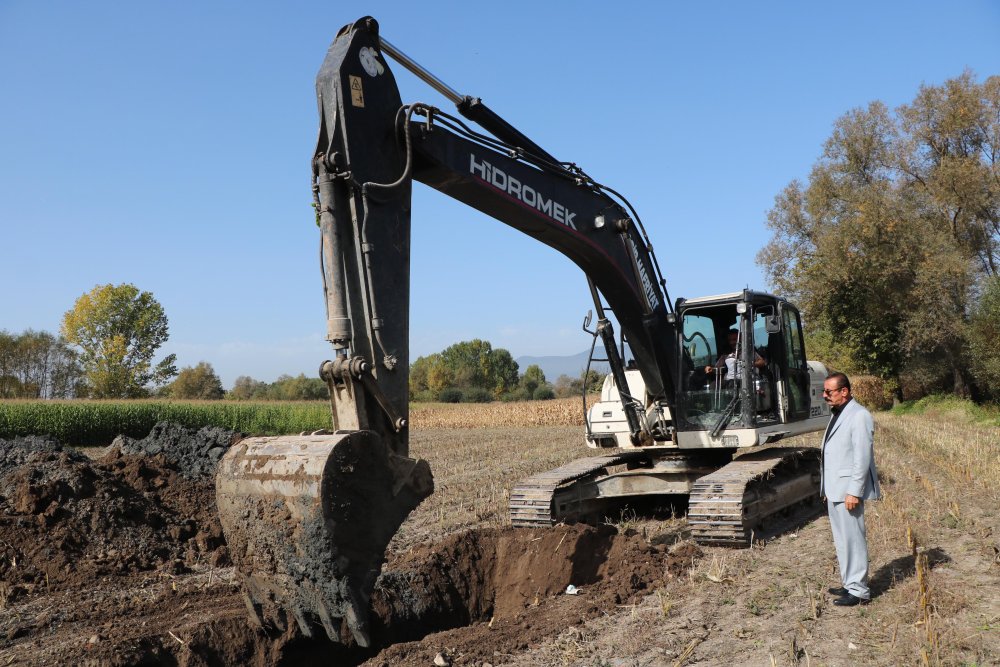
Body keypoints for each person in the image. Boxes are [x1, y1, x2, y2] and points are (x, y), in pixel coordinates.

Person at [820, 372, 880, 606]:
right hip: (835, 489)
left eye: (828, 391)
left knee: (853, 540)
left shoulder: (859, 415)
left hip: (847, 491)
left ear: (844, 391)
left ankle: (859, 591)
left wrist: (854, 491)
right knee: (843, 540)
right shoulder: (839, 413)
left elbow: (861, 458)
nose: (824, 395)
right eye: (824, 391)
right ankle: (849, 583)